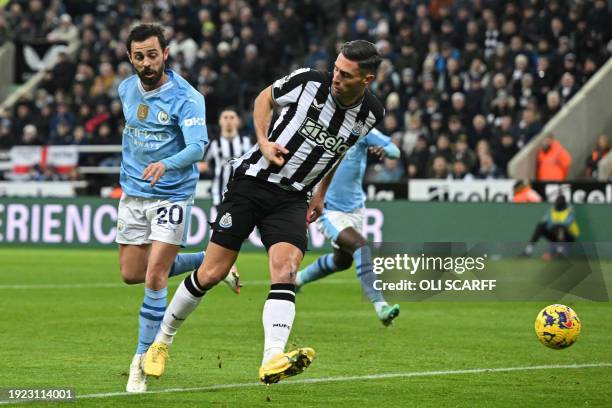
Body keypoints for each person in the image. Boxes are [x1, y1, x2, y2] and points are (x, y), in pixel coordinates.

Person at [143, 40, 384, 385]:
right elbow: (263, 99)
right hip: (253, 183)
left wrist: (321, 192)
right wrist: (263, 142)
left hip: (292, 198)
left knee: (286, 269)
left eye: (345, 75)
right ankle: (161, 342)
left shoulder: (371, 113)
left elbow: (340, 149)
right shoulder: (309, 82)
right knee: (212, 272)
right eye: (335, 68)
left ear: (366, 79)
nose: (336, 77)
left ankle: (272, 357)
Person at [115, 24, 238, 394]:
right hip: (133, 195)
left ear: (165, 54)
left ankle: (141, 359)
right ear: (130, 57)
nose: (147, 62)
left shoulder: (186, 97)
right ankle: (209, 261)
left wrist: (166, 165)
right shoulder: (125, 89)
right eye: (140, 56)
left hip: (171, 194)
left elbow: (198, 147)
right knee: (130, 273)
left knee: (155, 277)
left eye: (153, 54)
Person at [295, 128, 401, 326]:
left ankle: (298, 279)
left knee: (341, 261)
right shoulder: (320, 127)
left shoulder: (363, 128)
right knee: (361, 247)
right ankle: (381, 306)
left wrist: (384, 149)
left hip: (356, 209)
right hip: (328, 209)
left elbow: (395, 151)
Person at [199, 107, 253, 208]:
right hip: (218, 194)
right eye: (225, 117)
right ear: (220, 121)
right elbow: (202, 164)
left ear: (238, 121)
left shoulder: (246, 142)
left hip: (242, 194)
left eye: (232, 117)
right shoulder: (213, 144)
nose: (228, 121)